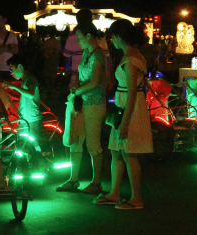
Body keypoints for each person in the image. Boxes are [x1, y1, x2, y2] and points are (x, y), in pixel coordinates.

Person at [93, 19, 153, 210]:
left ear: (119, 37)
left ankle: (136, 198)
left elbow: (133, 93)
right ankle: (115, 193)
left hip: (129, 111)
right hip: (125, 110)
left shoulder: (131, 60)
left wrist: (125, 123)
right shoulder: (133, 56)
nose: (113, 41)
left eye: (113, 37)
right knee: (117, 152)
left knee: (128, 154)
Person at [56, 23, 107, 194]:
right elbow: (80, 76)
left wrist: (75, 91)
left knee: (93, 144)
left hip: (94, 103)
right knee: (75, 141)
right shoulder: (87, 52)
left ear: (88, 35)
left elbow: (95, 82)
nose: (78, 41)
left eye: (79, 37)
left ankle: (96, 182)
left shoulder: (98, 54)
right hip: (82, 103)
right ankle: (74, 179)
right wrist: (75, 89)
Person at [1, 54, 41, 141]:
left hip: (31, 120)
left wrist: (13, 86)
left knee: (32, 146)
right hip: (24, 119)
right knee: (22, 144)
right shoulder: (25, 80)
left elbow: (31, 94)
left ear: (20, 66)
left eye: (11, 69)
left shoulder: (29, 79)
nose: (11, 73)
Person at [56, 95, 85, 191]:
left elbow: (76, 88)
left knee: (76, 141)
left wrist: (72, 93)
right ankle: (74, 178)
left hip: (76, 104)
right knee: (75, 143)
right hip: (74, 103)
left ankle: (74, 179)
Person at [0, 12, 19, 82]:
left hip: (11, 68)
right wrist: (9, 46)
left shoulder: (13, 35)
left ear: (4, 20)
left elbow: (16, 51)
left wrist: (1, 47)